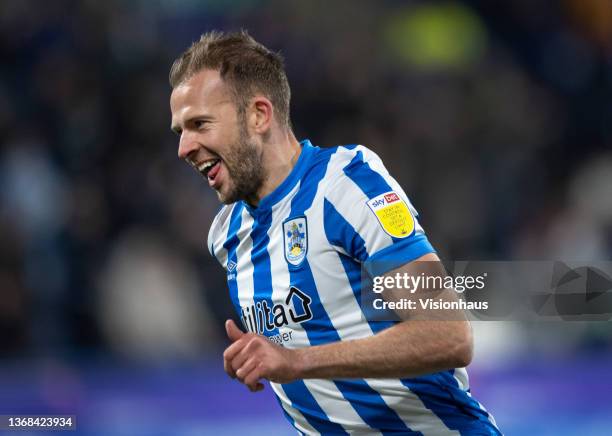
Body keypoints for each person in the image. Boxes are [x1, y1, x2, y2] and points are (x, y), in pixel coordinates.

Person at [169, 30, 501, 435]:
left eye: (199, 124)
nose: (185, 147)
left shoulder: (347, 184)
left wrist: (296, 361)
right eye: (180, 131)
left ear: (258, 115)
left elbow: (449, 335)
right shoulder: (226, 234)